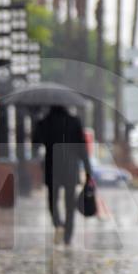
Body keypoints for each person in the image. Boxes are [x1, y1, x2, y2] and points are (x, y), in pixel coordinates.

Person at [32, 105, 92, 245]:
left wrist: (38, 123)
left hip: (52, 165)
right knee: (69, 203)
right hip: (70, 166)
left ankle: (58, 224)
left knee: (53, 200)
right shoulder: (74, 121)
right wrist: (88, 168)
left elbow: (35, 143)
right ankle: (68, 235)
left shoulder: (45, 122)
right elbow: (81, 146)